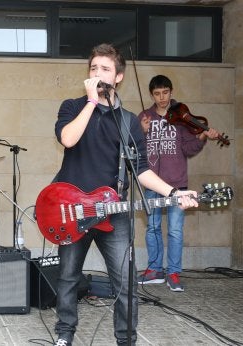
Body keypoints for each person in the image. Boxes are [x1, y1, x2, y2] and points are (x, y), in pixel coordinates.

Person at [51, 43, 199, 346]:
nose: (97, 73)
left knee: (126, 283)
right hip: (72, 210)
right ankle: (64, 335)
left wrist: (173, 192)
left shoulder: (129, 121)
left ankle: (126, 341)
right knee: (67, 277)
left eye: (104, 69)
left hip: (113, 213)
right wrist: (91, 103)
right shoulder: (71, 106)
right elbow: (67, 139)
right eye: (93, 68)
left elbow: (141, 169)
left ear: (118, 76)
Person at [137, 75, 219, 292]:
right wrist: (142, 133)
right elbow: (136, 151)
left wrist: (202, 137)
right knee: (152, 228)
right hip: (152, 184)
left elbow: (188, 149)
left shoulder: (181, 118)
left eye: (165, 92)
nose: (162, 98)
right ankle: (154, 270)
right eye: (157, 93)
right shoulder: (144, 117)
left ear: (171, 92)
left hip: (178, 184)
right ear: (151, 95)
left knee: (175, 230)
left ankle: (173, 272)